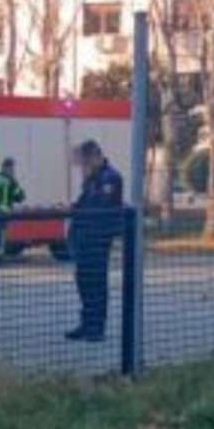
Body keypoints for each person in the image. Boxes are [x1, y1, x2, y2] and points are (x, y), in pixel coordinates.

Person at [67, 140, 124, 342]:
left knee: (96, 282)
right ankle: (86, 322)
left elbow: (100, 206)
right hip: (84, 237)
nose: (83, 166)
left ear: (94, 156)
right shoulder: (93, 178)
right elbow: (84, 203)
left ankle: (96, 327)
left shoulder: (110, 178)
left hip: (97, 238)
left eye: (84, 161)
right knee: (83, 280)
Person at [0, 155, 27, 256]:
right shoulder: (11, 181)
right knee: (2, 233)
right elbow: (20, 197)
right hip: (4, 213)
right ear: (9, 168)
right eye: (12, 168)